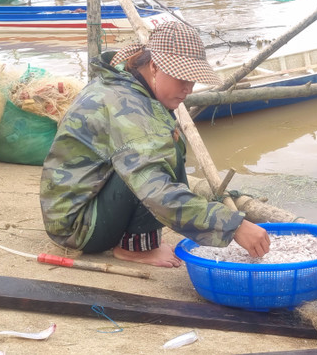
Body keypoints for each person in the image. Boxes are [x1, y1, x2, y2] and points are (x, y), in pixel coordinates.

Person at [40, 21, 270, 268]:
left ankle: (137, 241)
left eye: (192, 80)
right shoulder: (126, 107)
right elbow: (156, 191)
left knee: (164, 146)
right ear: (154, 66)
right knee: (153, 164)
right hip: (77, 226)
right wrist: (233, 225)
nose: (188, 89)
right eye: (182, 78)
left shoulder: (121, 82)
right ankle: (135, 249)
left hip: (76, 207)